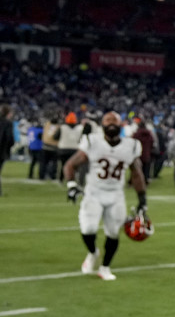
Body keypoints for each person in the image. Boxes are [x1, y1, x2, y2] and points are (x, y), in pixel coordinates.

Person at [62, 110, 147, 281]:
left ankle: (105, 267)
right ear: (102, 125)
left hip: (116, 194)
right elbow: (70, 165)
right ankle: (93, 253)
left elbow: (137, 173)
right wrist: (71, 185)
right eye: (108, 122)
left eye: (114, 121)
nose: (111, 125)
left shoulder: (131, 145)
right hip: (93, 192)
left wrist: (142, 200)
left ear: (121, 124)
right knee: (88, 229)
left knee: (113, 233)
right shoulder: (92, 141)